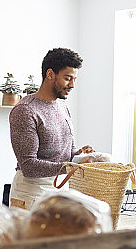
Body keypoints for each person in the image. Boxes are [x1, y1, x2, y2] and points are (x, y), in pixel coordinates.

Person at [9, 48, 94, 209]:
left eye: (74, 79)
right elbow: (28, 166)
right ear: (50, 74)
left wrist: (78, 156)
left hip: (60, 189)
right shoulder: (25, 110)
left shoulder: (62, 105)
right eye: (68, 78)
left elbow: (65, 154)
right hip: (31, 193)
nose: (72, 85)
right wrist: (71, 167)